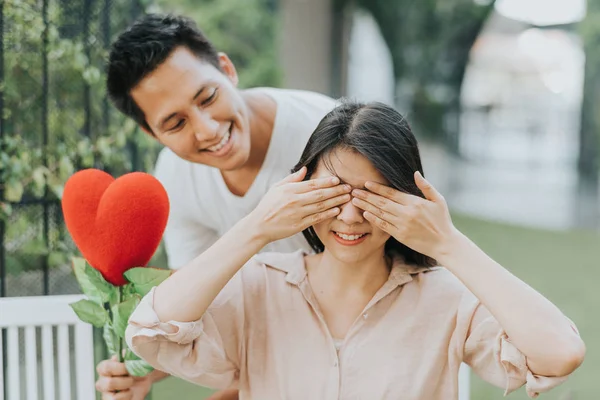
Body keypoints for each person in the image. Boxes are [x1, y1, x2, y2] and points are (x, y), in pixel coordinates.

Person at [124, 101, 585, 399]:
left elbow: (559, 353)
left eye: (373, 197)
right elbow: (150, 333)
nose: (350, 217)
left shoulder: (446, 297)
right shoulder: (259, 282)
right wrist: (256, 228)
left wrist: (449, 244)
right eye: (334, 194)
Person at [94, 12, 338, 400]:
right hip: (272, 358)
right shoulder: (176, 175)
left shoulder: (326, 134)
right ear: (151, 132)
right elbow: (199, 300)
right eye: (175, 124)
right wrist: (146, 373)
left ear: (227, 69)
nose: (207, 129)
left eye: (207, 97)